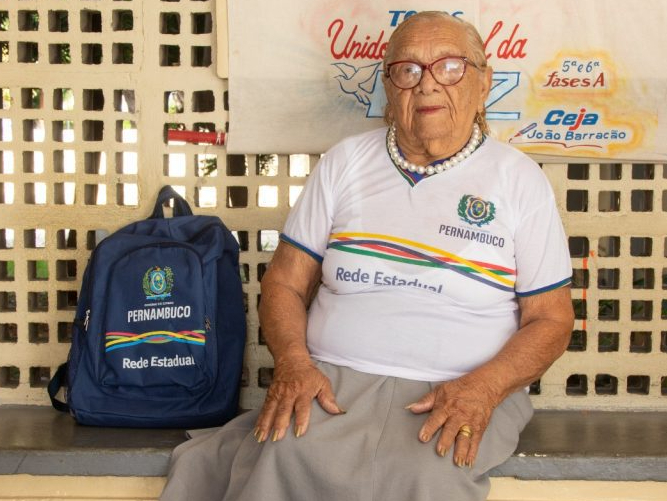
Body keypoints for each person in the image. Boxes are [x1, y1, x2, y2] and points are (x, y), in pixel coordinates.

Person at [160, 11, 574, 501]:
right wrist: (294, 363)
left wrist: (482, 389)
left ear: (483, 83)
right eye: (409, 70)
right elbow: (285, 285)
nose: (427, 86)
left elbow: (551, 320)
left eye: (450, 68)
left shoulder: (518, 180)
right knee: (283, 453)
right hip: (332, 381)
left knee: (430, 476)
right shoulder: (345, 163)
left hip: (463, 388)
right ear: (388, 86)